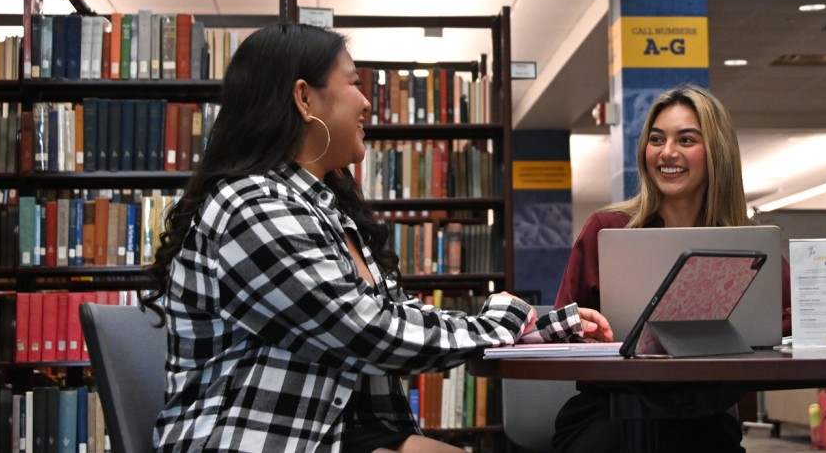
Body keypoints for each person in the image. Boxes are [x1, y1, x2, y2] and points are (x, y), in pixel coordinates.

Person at [141, 22, 611, 453]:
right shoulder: (251, 206)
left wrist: (535, 330)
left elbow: (400, 317)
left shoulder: (327, 210)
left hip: (340, 431)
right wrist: (500, 324)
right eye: (354, 84)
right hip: (261, 438)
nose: (367, 103)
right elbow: (365, 330)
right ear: (304, 99)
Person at [552, 83, 792, 453]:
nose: (667, 152)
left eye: (686, 140)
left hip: (704, 415)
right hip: (611, 413)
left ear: (717, 153)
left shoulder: (744, 243)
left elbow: (790, 318)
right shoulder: (608, 229)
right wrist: (584, 332)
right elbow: (561, 328)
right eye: (656, 139)